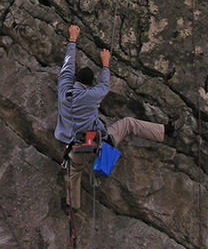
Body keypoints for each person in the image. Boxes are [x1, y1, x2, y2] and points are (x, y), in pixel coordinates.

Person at [55, 24, 174, 211]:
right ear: (89, 85)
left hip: (74, 146)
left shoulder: (64, 90)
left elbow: (68, 64)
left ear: (76, 80)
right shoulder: (91, 95)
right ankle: (165, 131)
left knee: (74, 172)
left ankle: (72, 205)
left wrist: (72, 40)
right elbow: (104, 86)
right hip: (98, 141)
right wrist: (106, 63)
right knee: (127, 124)